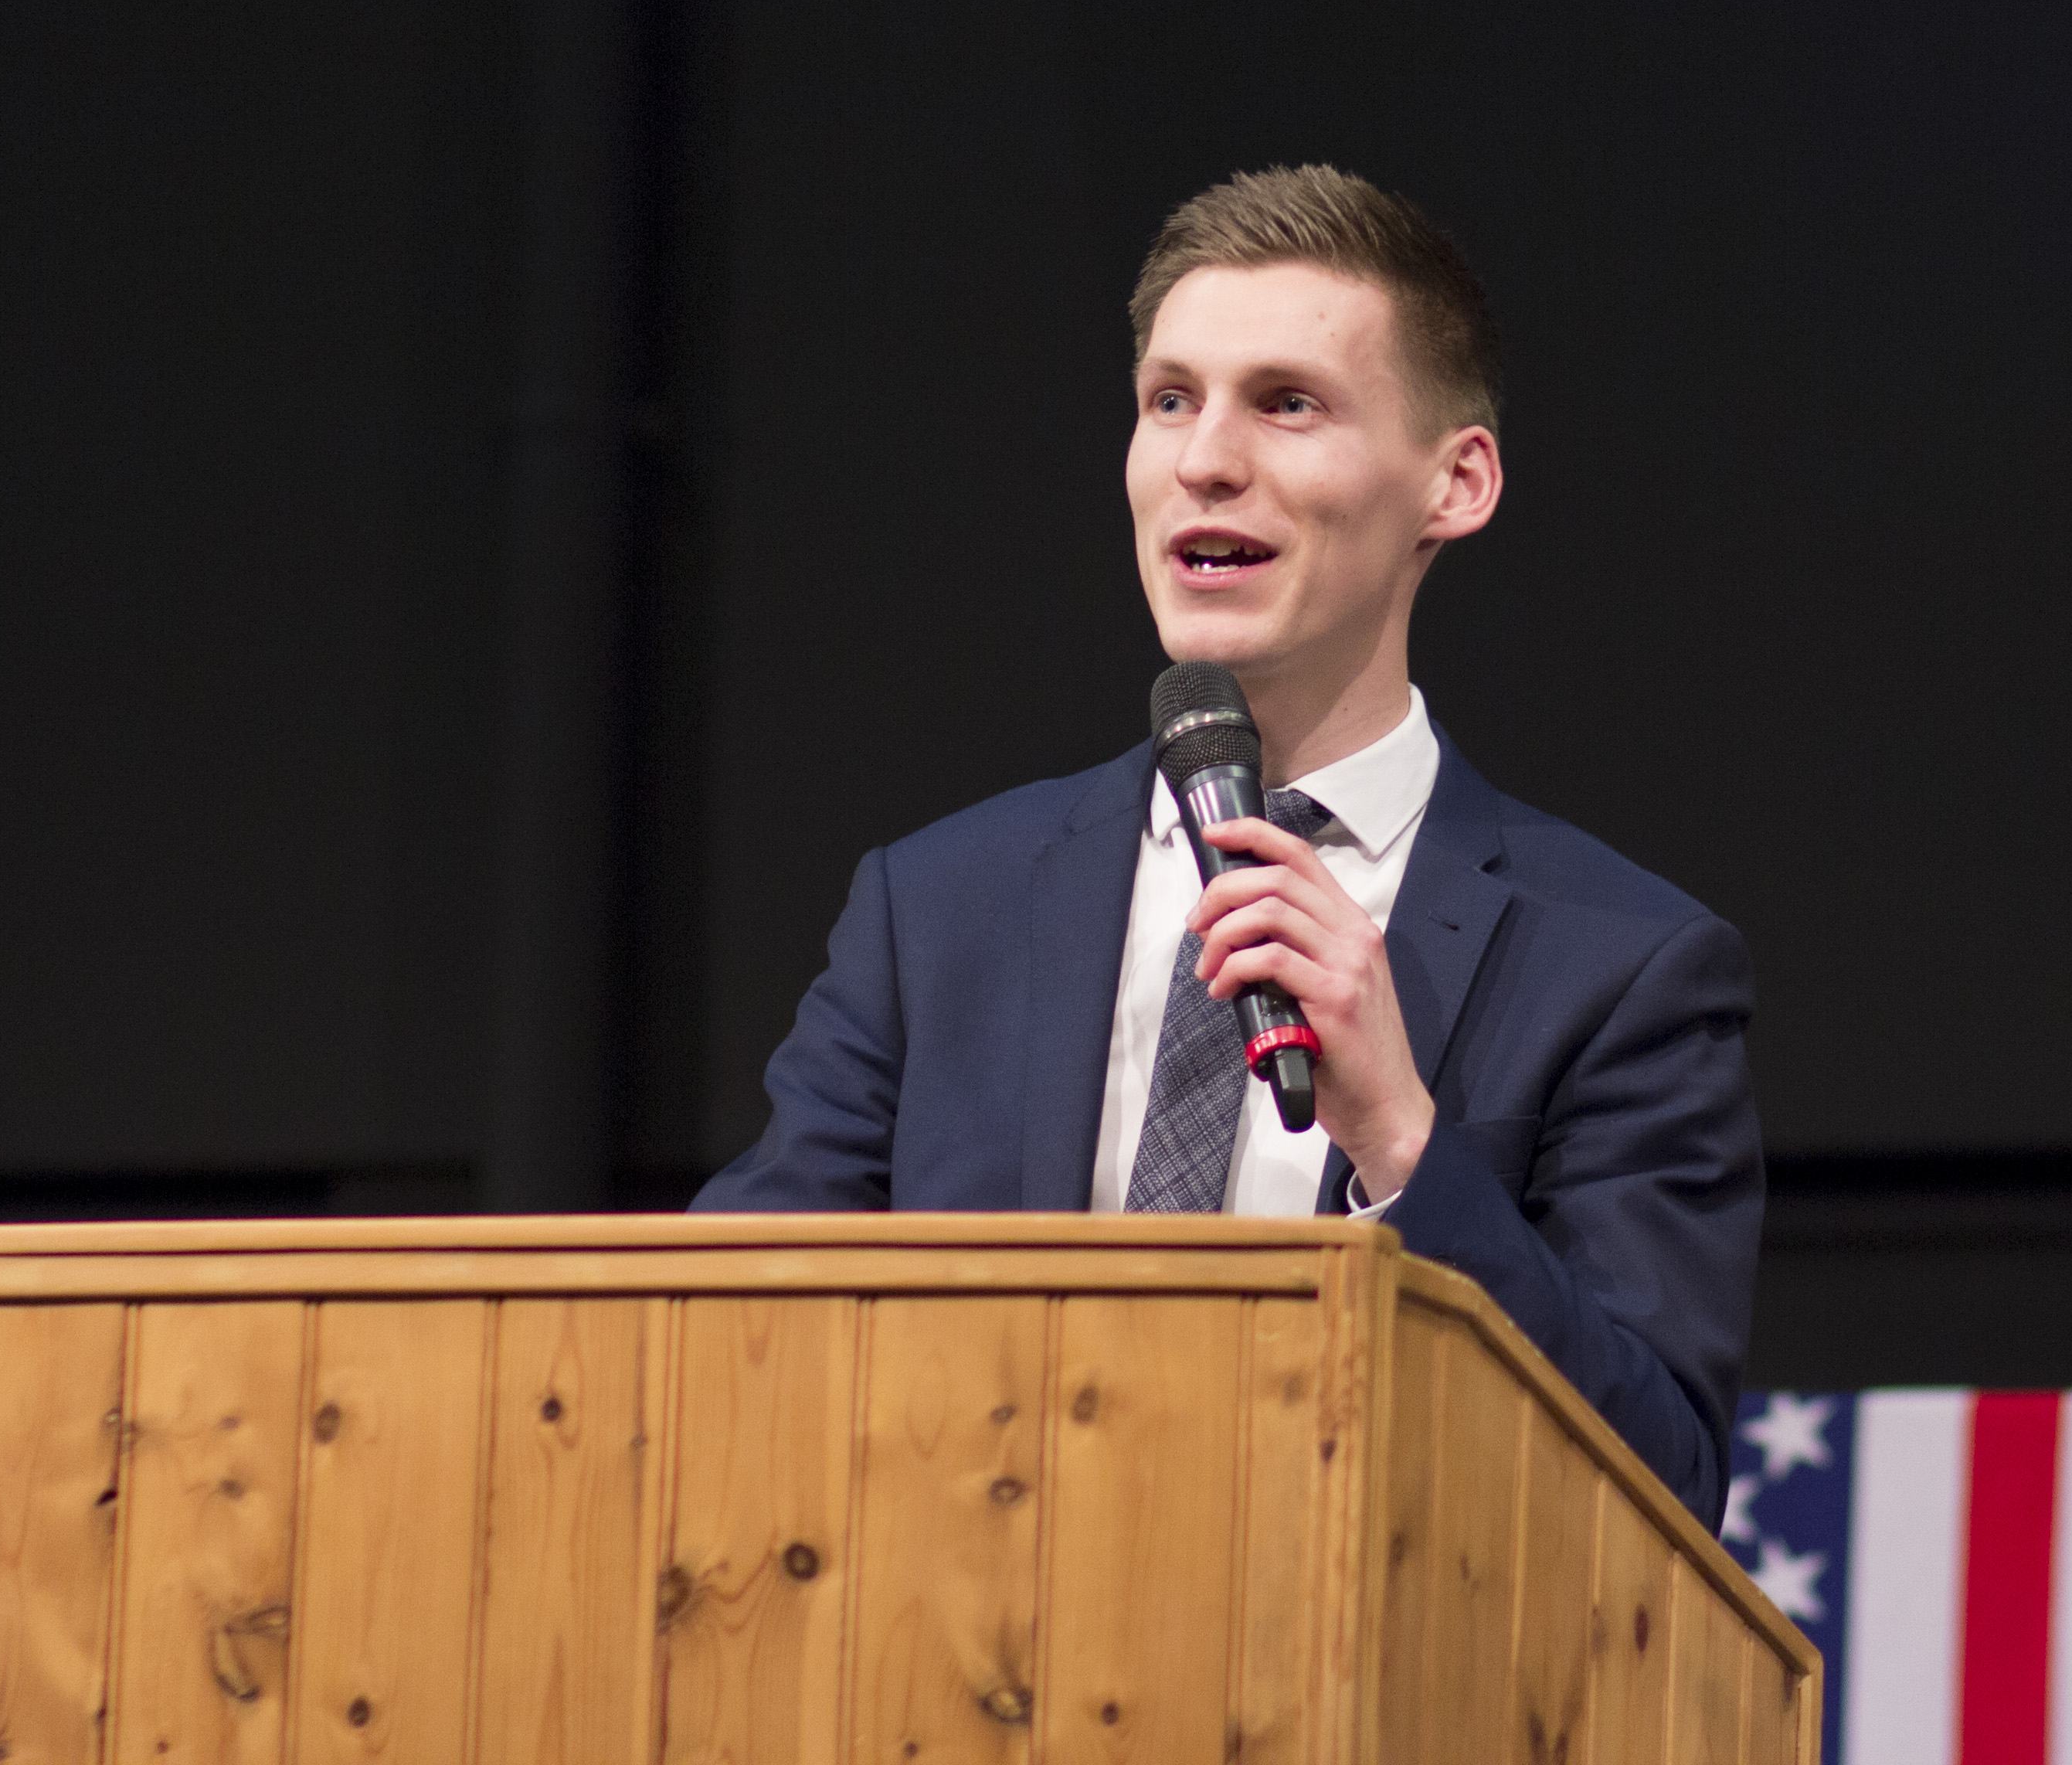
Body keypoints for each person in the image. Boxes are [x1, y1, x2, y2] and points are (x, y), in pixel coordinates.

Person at [695, 165, 1761, 1523]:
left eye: (1288, 403)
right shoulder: (939, 909)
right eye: (1170, 400)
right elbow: (724, 1344)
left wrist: (1404, 1146)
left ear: (1456, 482)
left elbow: (1659, 1483)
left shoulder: (1622, 968)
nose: (1205, 459)